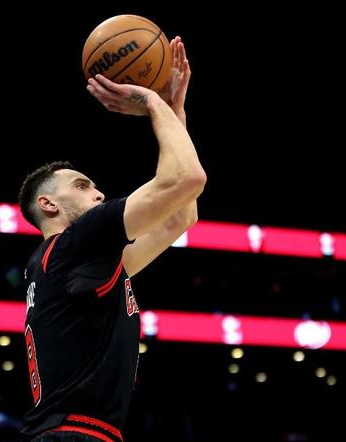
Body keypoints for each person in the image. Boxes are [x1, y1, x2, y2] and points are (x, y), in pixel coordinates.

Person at [17, 37, 205, 442]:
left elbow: (181, 215)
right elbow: (187, 179)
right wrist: (151, 102)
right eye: (82, 186)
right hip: (72, 434)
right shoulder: (74, 245)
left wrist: (174, 113)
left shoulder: (73, 265)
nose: (99, 194)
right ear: (48, 204)